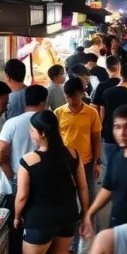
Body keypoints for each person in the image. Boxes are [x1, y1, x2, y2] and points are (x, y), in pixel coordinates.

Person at [16, 110, 89, 254]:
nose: (30, 133)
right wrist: (85, 214)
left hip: (40, 220)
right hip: (68, 216)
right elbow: (83, 187)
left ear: (42, 133)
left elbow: (22, 197)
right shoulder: (72, 154)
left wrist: (17, 216)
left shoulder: (29, 160)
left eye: (32, 130)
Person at [55, 78, 102, 219]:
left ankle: (90, 224)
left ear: (82, 93)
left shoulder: (92, 113)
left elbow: (96, 139)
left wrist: (97, 162)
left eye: (74, 96)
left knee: (88, 197)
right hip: (65, 163)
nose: (71, 100)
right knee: (67, 197)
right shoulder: (58, 113)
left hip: (86, 162)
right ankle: (73, 227)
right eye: (67, 97)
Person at [96, 65, 127, 167]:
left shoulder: (107, 93)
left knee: (109, 168)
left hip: (109, 136)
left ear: (121, 75)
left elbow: (102, 116)